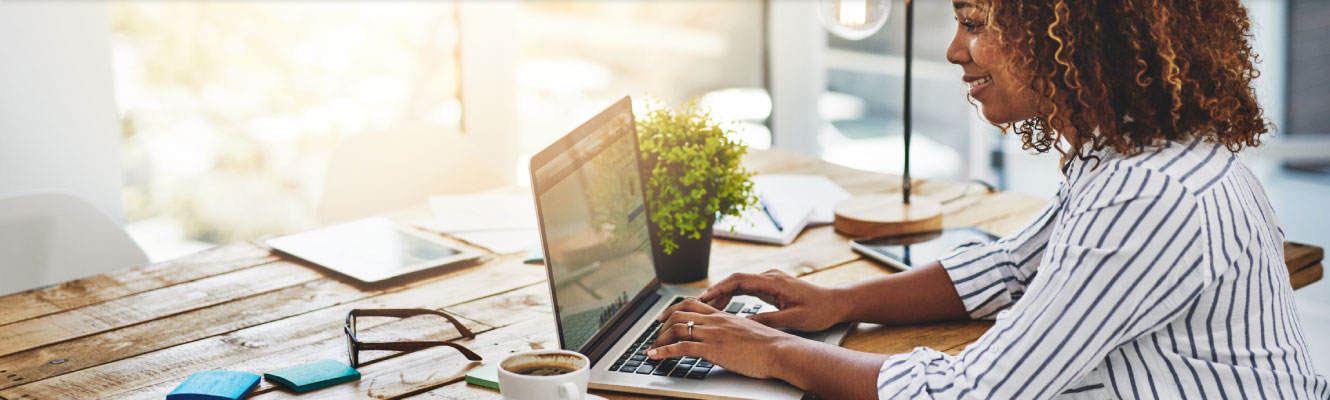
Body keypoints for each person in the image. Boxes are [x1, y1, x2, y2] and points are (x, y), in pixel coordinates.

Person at [645, 1, 1330, 398]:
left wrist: (765, 352)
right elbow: (1009, 269)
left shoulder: (1148, 193)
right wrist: (840, 302)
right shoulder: (1131, 150)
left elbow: (971, 394)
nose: (953, 50)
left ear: (1074, 32)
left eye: (974, 21)